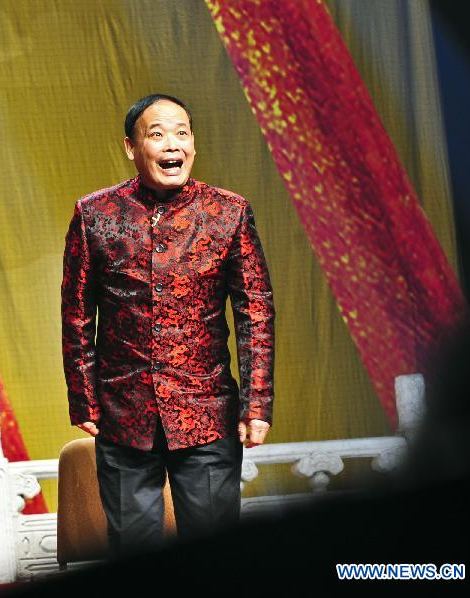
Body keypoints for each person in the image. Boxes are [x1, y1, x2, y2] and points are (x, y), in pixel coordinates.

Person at [61, 94, 275, 558]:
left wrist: (256, 403)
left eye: (181, 132)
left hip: (205, 412)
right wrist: (84, 397)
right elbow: (77, 315)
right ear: (131, 147)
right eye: (157, 134)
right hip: (123, 414)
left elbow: (255, 311)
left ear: (193, 144)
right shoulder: (94, 215)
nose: (171, 144)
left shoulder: (228, 213)